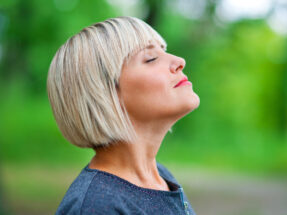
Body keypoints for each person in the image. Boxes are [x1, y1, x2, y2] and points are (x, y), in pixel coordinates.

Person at [47, 16, 200, 215]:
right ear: (103, 94)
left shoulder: (161, 178)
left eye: (164, 51)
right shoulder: (97, 207)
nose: (179, 61)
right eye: (151, 59)